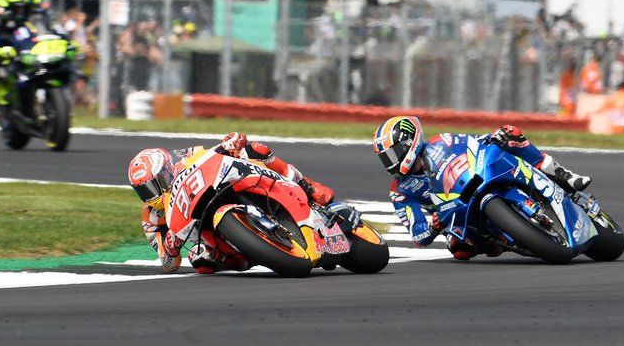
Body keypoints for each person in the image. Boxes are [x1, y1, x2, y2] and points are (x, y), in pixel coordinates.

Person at [372, 116, 592, 261]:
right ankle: (509, 239)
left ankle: (563, 176)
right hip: (454, 215)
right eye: (385, 159)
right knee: (460, 249)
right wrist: (433, 227)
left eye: (393, 153)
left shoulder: (442, 141)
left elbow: (473, 143)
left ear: (410, 141)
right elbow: (418, 235)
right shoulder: (400, 191)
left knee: (510, 133)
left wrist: (493, 138)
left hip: (476, 178)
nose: (390, 162)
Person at [128, 133, 335, 274]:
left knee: (255, 149)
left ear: (167, 170)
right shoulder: (151, 217)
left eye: (156, 184)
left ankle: (306, 186)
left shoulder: (185, 158)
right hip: (208, 234)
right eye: (144, 190)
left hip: (222, 187)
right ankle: (250, 251)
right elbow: (168, 264)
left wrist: (230, 143)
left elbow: (212, 154)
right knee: (199, 262)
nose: (151, 194)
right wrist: (171, 247)